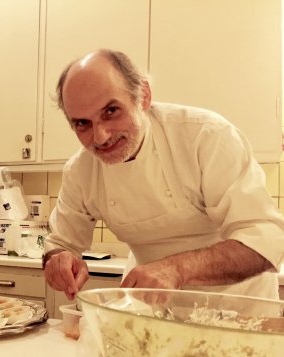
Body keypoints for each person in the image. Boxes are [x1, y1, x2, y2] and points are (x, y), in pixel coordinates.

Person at [42, 49, 284, 300]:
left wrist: (177, 269)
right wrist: (58, 261)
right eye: (82, 123)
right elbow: (61, 244)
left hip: (239, 310)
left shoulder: (205, 136)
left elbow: (265, 238)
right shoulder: (80, 170)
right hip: (154, 313)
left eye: (111, 111)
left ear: (143, 97)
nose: (100, 136)